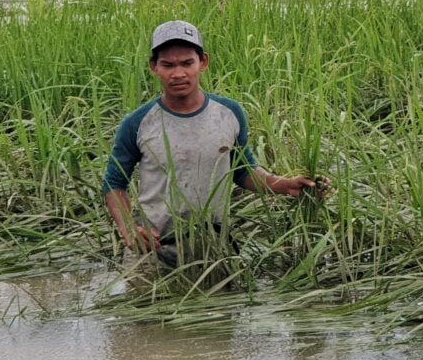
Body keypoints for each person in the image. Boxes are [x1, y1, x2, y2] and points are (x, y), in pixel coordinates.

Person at [102, 20, 329, 265]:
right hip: (155, 248)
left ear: (203, 63)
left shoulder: (229, 113)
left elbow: (242, 172)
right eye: (168, 65)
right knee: (145, 301)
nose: (178, 73)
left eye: (187, 63)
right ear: (154, 67)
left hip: (214, 246)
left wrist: (284, 184)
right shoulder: (138, 122)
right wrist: (128, 228)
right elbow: (114, 182)